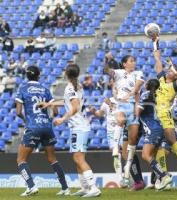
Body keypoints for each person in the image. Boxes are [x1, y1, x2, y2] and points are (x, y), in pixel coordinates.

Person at [39, 64, 101, 197]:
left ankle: (93, 187)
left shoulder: (70, 87)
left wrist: (62, 119)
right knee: (77, 158)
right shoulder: (77, 85)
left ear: (66, 74)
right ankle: (85, 188)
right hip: (80, 126)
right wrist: (50, 104)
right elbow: (67, 102)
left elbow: (74, 106)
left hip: (79, 126)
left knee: (79, 158)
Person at [15, 66, 69, 196]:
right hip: (46, 126)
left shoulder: (22, 89)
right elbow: (55, 110)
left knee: (21, 160)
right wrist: (50, 117)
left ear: (27, 76)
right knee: (52, 158)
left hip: (33, 126)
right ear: (38, 75)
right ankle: (65, 188)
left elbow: (18, 112)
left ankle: (31, 186)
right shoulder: (45, 89)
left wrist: (25, 120)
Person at [104, 55, 144, 189]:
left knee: (132, 144)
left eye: (134, 60)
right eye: (131, 61)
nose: (134, 62)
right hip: (121, 105)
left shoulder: (139, 73)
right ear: (124, 64)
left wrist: (132, 98)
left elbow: (138, 87)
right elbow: (107, 71)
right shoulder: (119, 73)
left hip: (133, 107)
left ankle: (127, 173)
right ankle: (115, 150)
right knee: (120, 120)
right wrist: (107, 61)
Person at [152, 38, 177, 181]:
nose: (168, 71)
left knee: (172, 141)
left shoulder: (173, 86)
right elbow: (157, 59)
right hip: (155, 117)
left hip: (165, 115)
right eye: (168, 70)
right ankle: (163, 176)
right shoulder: (160, 79)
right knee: (158, 148)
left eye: (171, 71)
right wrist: (155, 42)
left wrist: (173, 66)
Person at [139, 79, 172, 190]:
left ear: (147, 85)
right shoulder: (157, 95)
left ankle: (164, 176)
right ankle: (160, 178)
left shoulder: (145, 95)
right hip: (159, 127)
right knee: (152, 156)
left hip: (152, 128)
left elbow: (137, 112)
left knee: (145, 155)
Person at [89, 97, 124, 186]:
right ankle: (120, 179)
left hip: (123, 129)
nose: (115, 88)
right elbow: (100, 114)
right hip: (111, 131)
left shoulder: (124, 99)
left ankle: (130, 176)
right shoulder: (107, 101)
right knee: (115, 153)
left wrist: (110, 104)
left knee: (126, 154)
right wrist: (93, 111)